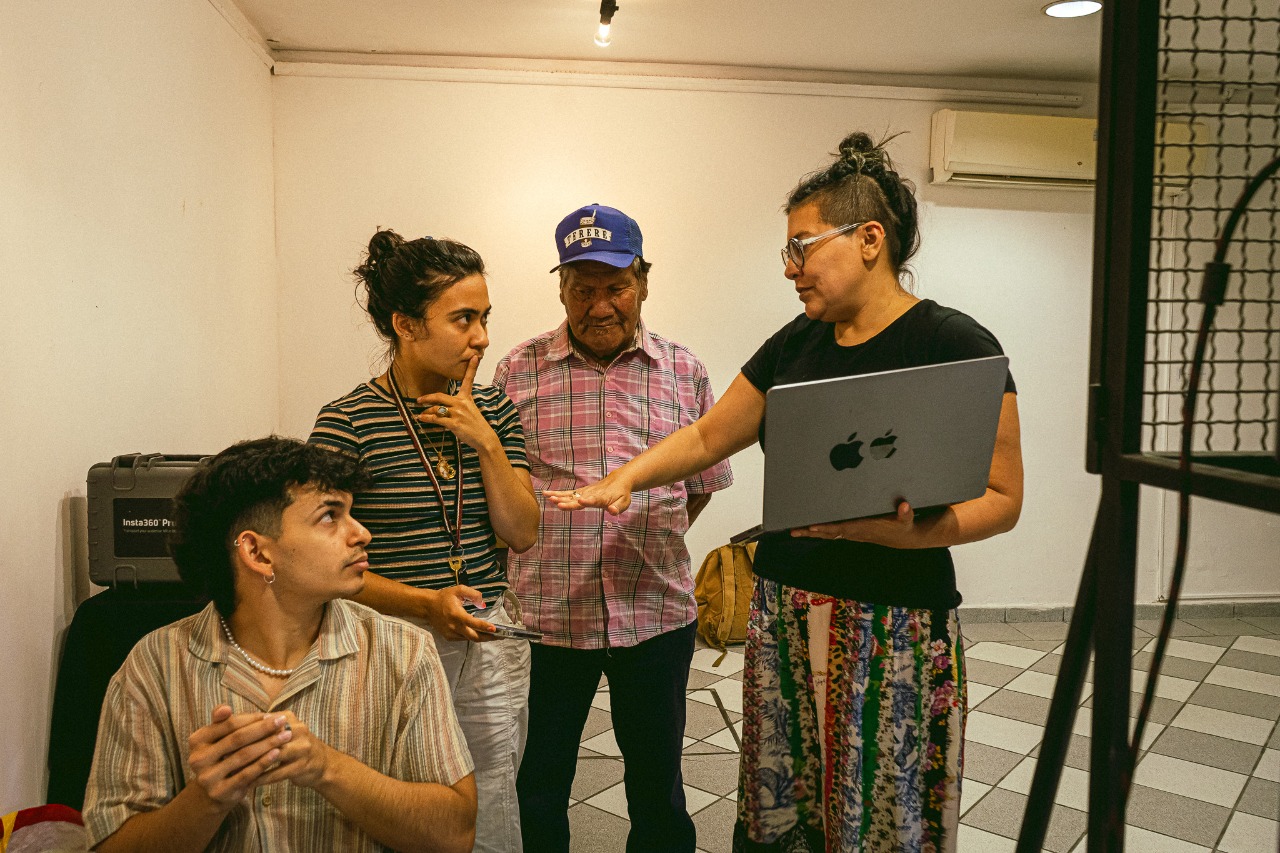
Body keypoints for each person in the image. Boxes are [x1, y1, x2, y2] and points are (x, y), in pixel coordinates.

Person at [547, 135, 1024, 852]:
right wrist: (627, 477)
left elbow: (1002, 497)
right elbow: (708, 438)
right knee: (784, 817)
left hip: (895, 624)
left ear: (870, 239)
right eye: (787, 251)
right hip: (787, 614)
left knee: (883, 816)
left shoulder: (954, 343)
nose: (790, 268)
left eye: (802, 246)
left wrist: (900, 534)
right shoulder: (794, 344)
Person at [82, 436, 477, 853]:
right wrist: (206, 799)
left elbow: (455, 836)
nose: (362, 534)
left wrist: (325, 767)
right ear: (257, 552)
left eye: (352, 514)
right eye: (330, 516)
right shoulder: (156, 664)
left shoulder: (403, 652)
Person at [492, 203, 734, 852]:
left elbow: (703, 486)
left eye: (616, 287)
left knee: (658, 789)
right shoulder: (518, 370)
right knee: (538, 783)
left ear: (644, 284)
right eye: (582, 288)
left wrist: (650, 533)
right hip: (547, 619)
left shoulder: (685, 371)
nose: (600, 306)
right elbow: (500, 490)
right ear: (562, 288)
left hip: (653, 617)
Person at [310, 229, 539, 853]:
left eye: (485, 317)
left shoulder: (496, 409)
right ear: (405, 325)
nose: (482, 338)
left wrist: (485, 441)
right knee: (395, 797)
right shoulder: (348, 421)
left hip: (489, 637)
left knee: (490, 798)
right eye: (463, 319)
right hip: (388, 641)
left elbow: (521, 532)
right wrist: (424, 604)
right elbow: (322, 564)